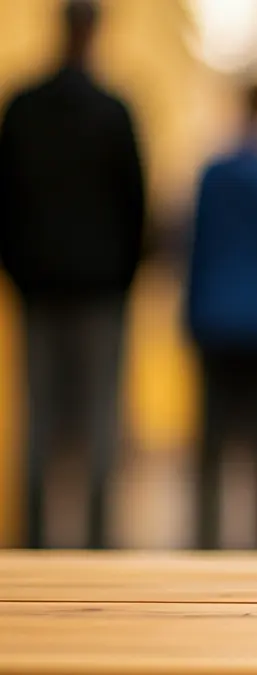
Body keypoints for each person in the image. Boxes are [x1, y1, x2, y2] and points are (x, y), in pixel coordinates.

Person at [0, 0, 147, 549]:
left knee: (37, 416)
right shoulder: (113, 111)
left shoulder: (23, 106)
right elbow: (136, 205)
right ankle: (98, 542)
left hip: (37, 284)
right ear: (96, 33)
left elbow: (6, 199)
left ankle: (33, 543)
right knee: (100, 418)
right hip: (100, 288)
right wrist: (125, 276)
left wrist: (18, 269)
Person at [184, 82, 257, 550]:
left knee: (213, 435)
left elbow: (198, 246)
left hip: (215, 314)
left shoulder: (213, 172)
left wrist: (192, 310)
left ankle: (206, 535)